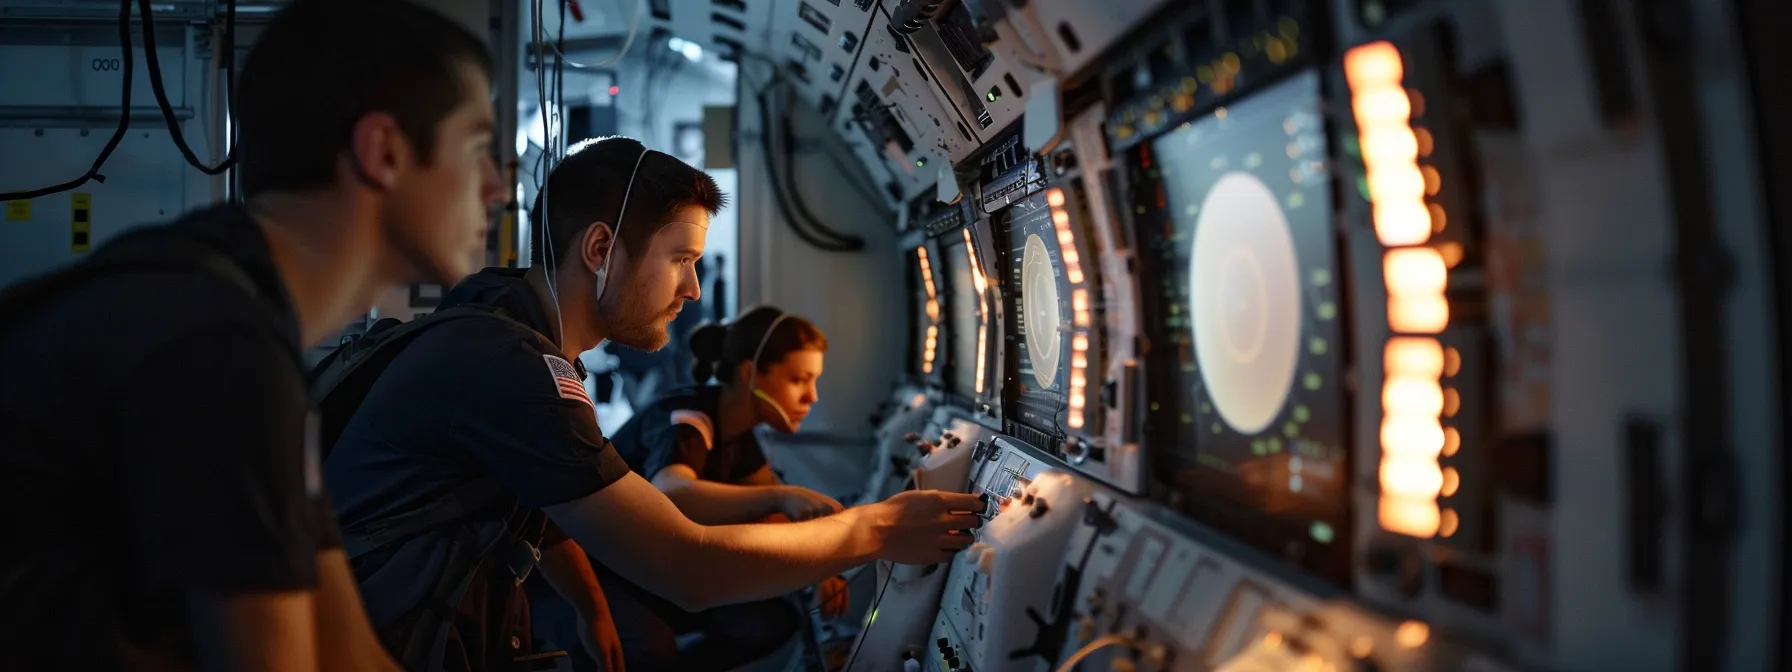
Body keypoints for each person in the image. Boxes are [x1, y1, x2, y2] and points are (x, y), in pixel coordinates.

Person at [319, 136, 982, 671]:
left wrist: (593, 611)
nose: (693, 288)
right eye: (681, 260)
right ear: (602, 249)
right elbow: (687, 567)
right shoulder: (512, 368)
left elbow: (540, 507)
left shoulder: (497, 316)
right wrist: (877, 530)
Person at [0, 1, 506, 670]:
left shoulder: (228, 311)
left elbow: (344, 650)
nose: (497, 187)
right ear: (383, 151)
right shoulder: (214, 345)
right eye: (476, 148)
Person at [539, 306, 850, 671]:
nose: (811, 397)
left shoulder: (740, 439)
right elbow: (673, 491)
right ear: (750, 373)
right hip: (576, 573)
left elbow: (770, 516)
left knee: (770, 620)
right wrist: (783, 495)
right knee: (650, 649)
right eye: (799, 380)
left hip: (637, 571)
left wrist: (820, 567)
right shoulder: (688, 418)